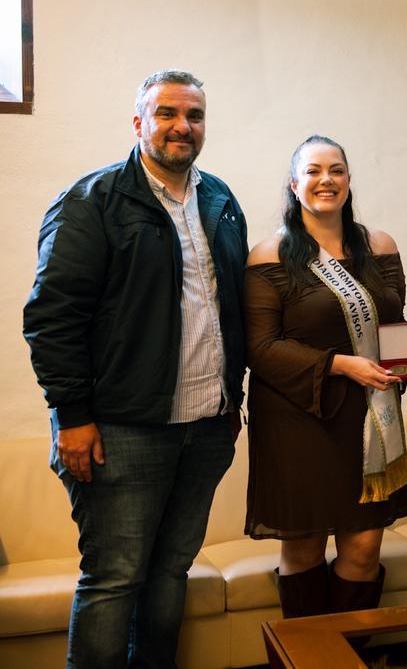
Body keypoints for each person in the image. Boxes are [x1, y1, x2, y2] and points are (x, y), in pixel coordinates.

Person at [23, 69, 247, 668]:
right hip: (122, 431)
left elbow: (232, 310)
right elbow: (52, 317)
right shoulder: (92, 202)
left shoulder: (220, 201)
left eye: (194, 116)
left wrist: (234, 400)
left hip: (206, 426)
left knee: (170, 573)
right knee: (115, 578)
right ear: (139, 122)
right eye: (168, 113)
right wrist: (71, 416)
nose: (183, 126)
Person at [243, 135, 407, 619]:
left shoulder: (379, 245)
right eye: (314, 171)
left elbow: (392, 323)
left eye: (336, 170)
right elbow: (261, 347)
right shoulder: (270, 254)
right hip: (299, 422)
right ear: (295, 184)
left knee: (363, 551)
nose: (326, 180)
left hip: (369, 419)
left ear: (348, 180)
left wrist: (406, 357)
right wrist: (340, 364)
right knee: (303, 551)